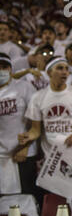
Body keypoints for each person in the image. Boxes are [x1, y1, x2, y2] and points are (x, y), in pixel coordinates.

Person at [19, 56, 72, 216]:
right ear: (49, 72)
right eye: (59, 68)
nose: (64, 72)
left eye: (66, 68)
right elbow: (35, 130)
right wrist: (27, 138)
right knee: (61, 205)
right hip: (54, 159)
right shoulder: (38, 97)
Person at [0, 54, 39, 197]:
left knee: (26, 196)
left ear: (10, 69)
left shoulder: (24, 87)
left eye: (4, 67)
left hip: (23, 153)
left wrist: (26, 146)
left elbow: (36, 120)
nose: (1, 71)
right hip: (1, 155)